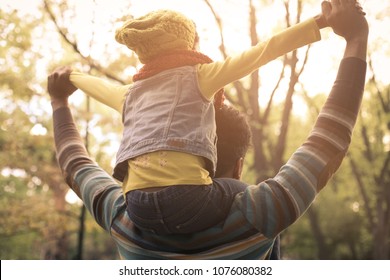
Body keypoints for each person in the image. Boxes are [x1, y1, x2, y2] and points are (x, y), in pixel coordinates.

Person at [48, 0, 368, 259]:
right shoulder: (261, 215)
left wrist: (61, 98)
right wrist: (353, 38)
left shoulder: (121, 219)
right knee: (237, 192)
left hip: (140, 209)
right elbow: (329, 139)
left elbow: (76, 165)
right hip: (209, 201)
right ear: (238, 165)